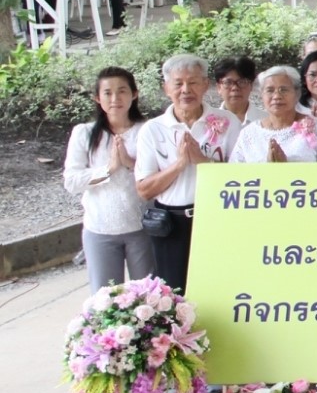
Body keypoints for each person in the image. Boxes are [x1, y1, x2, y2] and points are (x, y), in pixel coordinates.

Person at [132, 55, 240, 291]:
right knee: (173, 293)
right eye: (178, 83)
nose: (185, 90)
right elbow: (144, 189)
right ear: (166, 88)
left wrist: (202, 161)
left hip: (217, 218)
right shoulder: (152, 130)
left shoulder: (227, 122)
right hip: (171, 223)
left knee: (220, 288)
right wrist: (180, 164)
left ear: (205, 85)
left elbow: (242, 179)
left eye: (193, 82)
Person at [63, 67, 155, 288]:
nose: (115, 99)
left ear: (134, 93)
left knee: (149, 297)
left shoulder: (149, 130)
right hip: (100, 228)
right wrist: (109, 168)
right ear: (97, 98)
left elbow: (159, 177)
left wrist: (130, 163)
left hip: (142, 227)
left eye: (122, 91)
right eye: (107, 93)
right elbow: (72, 182)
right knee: (105, 300)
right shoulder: (84, 133)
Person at [229, 65, 317, 163]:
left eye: (283, 90)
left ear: (297, 94)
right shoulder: (248, 133)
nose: (277, 96)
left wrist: (287, 167)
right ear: (261, 96)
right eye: (270, 90)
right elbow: (233, 174)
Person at [212, 57, 255, 124]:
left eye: (242, 82)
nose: (235, 88)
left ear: (251, 85)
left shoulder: (266, 120)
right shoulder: (207, 122)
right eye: (228, 82)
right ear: (219, 87)